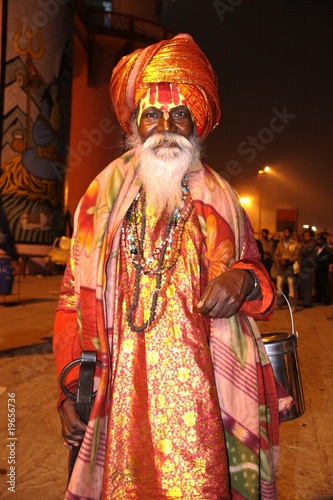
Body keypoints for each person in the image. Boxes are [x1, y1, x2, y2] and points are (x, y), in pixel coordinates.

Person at [53, 34, 291, 499]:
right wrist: (68, 391)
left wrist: (241, 279)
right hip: (116, 403)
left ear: (195, 126)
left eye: (179, 114)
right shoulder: (98, 204)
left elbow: (259, 280)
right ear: (135, 128)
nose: (166, 126)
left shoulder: (221, 201)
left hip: (204, 407)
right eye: (152, 115)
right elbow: (69, 303)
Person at [273, 226, 300, 311]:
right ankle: (278, 304)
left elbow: (297, 256)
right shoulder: (280, 244)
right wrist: (280, 260)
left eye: (287, 232)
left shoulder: (295, 244)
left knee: (292, 287)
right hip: (281, 268)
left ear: (291, 234)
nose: (285, 234)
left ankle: (293, 305)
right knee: (279, 287)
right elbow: (276, 255)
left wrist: (288, 260)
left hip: (290, 268)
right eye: (284, 232)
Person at [298, 229, 316, 308]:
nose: (305, 237)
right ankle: (304, 300)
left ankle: (307, 302)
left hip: (308, 266)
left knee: (307, 285)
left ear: (311, 237)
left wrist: (300, 248)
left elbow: (304, 251)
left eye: (307, 235)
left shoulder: (312, 244)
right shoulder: (303, 243)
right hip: (302, 265)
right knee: (303, 285)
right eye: (304, 235)